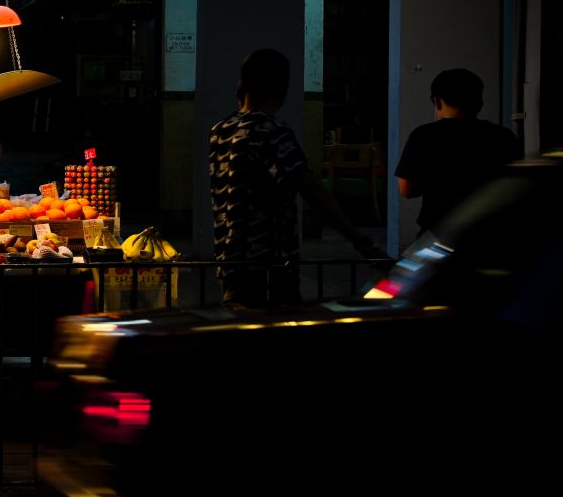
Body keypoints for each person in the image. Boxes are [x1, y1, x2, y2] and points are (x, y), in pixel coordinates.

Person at [209, 49, 383, 310]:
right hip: (269, 265)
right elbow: (312, 189)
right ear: (282, 87)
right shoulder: (271, 131)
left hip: (230, 263)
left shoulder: (220, 130)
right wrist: (362, 243)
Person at [395, 68, 521, 237]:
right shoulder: (503, 136)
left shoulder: (424, 135)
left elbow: (406, 190)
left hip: (437, 235)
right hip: (491, 235)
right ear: (479, 102)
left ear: (437, 102)